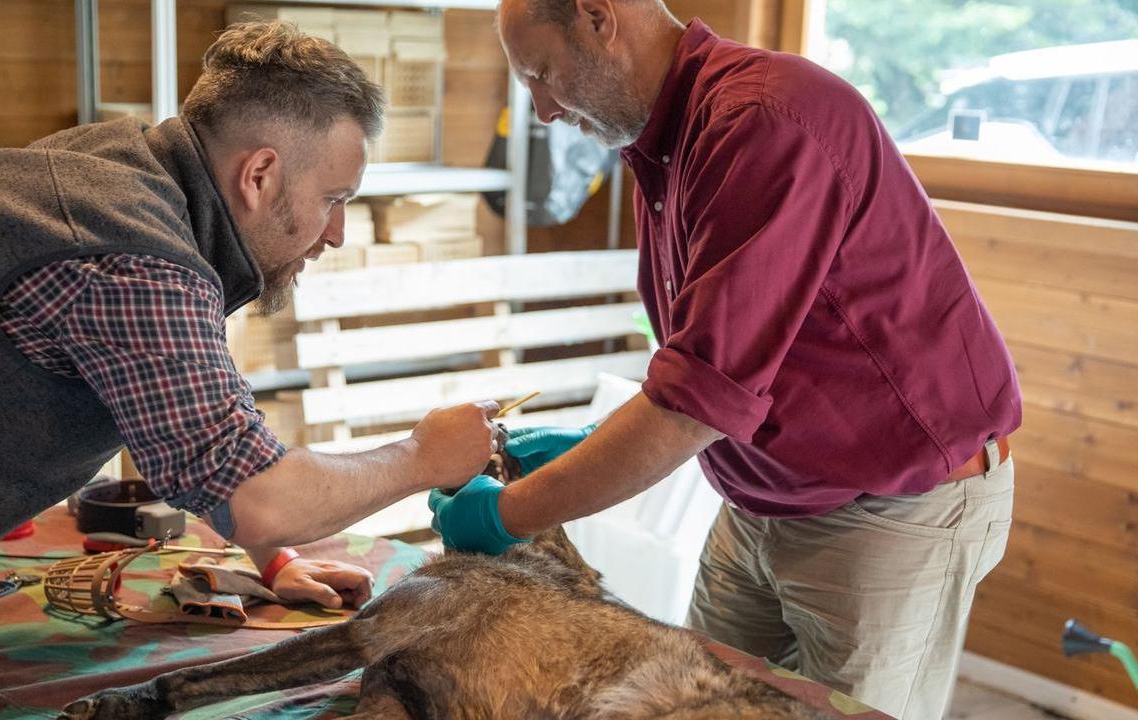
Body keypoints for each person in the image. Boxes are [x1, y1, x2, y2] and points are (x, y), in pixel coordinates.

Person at [427, 1, 1020, 718]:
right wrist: (588, 443)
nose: (544, 111)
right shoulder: (664, 145)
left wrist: (509, 515)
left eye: (542, 75)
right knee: (694, 706)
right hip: (758, 499)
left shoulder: (762, 122)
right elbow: (710, 362)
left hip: (890, 512)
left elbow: (695, 403)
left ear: (598, 18)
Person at [0, 21, 500, 632]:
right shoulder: (133, 258)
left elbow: (186, 426)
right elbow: (259, 498)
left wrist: (270, 557)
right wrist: (422, 458)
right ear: (258, 175)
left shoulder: (117, 170)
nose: (336, 233)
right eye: (333, 199)